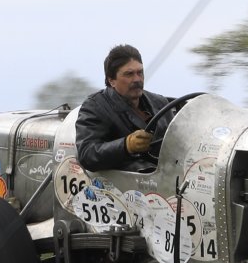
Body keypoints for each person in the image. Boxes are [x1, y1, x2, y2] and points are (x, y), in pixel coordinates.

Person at [75, 44, 176, 172]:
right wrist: (126, 145)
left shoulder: (160, 103)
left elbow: (177, 144)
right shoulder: (96, 106)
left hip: (167, 177)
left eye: (140, 72)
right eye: (129, 74)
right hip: (127, 181)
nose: (137, 79)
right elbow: (87, 154)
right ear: (111, 80)